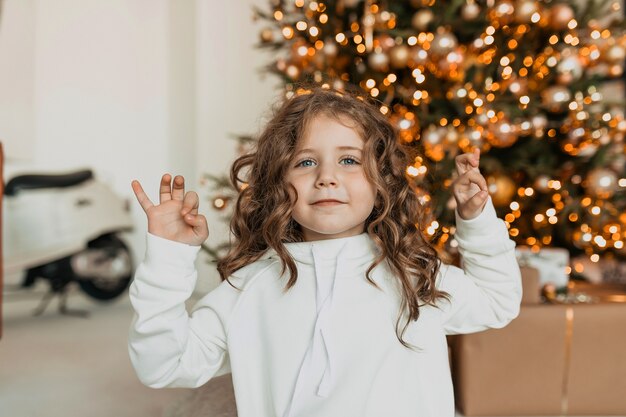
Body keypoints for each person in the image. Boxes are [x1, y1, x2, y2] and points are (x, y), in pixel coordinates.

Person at [128, 87, 522, 417]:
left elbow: (498, 301)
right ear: (277, 184)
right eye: (306, 162)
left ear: (381, 181)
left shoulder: (412, 275)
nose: (327, 177)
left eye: (349, 160)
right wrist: (168, 256)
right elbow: (164, 364)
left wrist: (478, 222)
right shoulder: (250, 289)